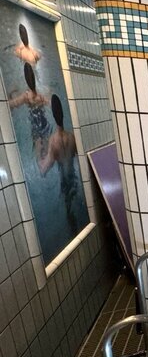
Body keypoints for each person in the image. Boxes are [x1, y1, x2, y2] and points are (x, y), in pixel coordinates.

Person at [38, 95, 80, 231]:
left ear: (54, 116)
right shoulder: (72, 137)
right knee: (75, 201)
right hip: (73, 178)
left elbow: (45, 169)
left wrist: (40, 157)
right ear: (62, 114)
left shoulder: (53, 141)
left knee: (68, 210)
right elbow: (79, 155)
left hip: (64, 181)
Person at [9, 62, 50, 153]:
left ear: (26, 79)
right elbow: (50, 103)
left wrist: (10, 94)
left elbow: (11, 104)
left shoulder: (26, 96)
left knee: (38, 152)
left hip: (35, 124)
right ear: (34, 77)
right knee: (47, 149)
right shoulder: (41, 94)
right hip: (44, 122)